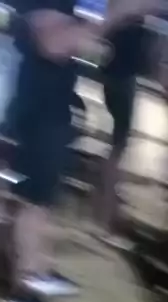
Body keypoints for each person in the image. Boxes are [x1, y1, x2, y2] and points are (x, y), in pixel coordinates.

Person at [2, 0, 156, 302]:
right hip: (36, 109)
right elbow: (54, 44)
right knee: (32, 198)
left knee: (42, 198)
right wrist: (120, 12)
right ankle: (22, 288)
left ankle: (38, 267)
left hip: (51, 106)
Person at [96, 15, 148, 246]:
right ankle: (106, 219)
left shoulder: (123, 12)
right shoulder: (136, 12)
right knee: (118, 147)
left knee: (118, 146)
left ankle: (106, 209)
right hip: (122, 78)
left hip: (114, 75)